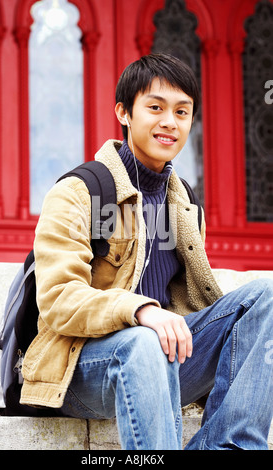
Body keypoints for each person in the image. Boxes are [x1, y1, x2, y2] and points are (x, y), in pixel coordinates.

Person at [20, 54, 273, 450]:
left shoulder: (186, 205)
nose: (169, 122)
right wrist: (139, 310)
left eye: (182, 111)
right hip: (80, 369)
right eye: (155, 107)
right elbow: (57, 300)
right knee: (142, 341)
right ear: (123, 112)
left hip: (162, 363)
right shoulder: (78, 192)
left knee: (266, 300)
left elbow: (191, 304)